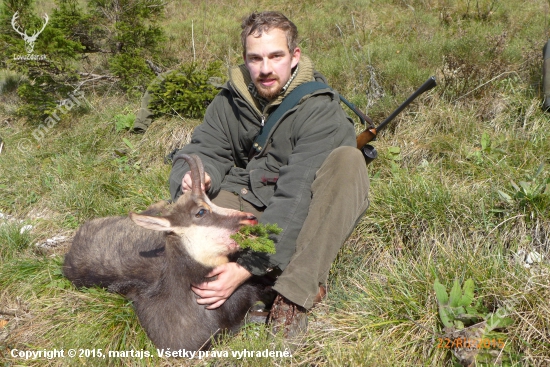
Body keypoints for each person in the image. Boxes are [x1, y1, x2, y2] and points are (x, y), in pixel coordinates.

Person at [169, 10, 370, 342]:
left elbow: (296, 194)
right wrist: (196, 178)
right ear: (245, 59)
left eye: (276, 56)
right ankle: (248, 290)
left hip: (302, 208)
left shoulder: (319, 109)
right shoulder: (229, 101)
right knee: (190, 220)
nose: (265, 69)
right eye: (255, 58)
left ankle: (292, 295)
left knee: (348, 161)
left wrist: (246, 264)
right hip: (247, 198)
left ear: (294, 57)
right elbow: (205, 147)